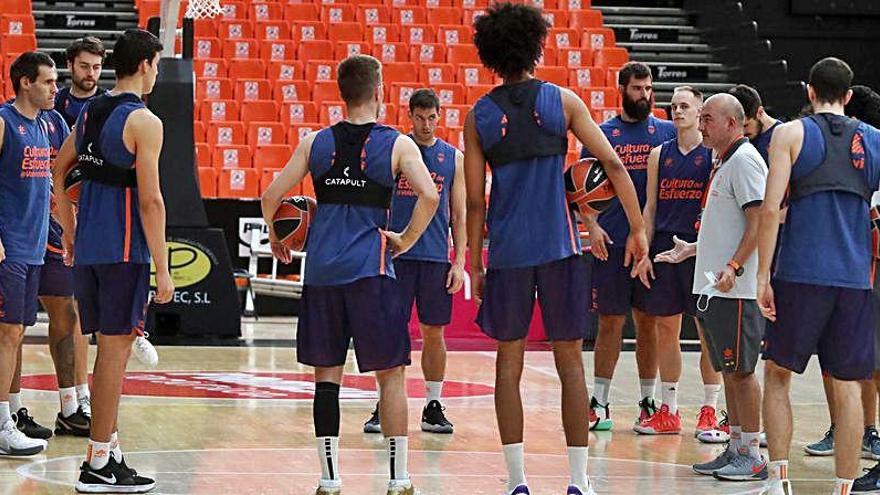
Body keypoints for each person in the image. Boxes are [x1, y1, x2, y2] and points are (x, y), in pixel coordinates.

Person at [464, 4, 647, 494]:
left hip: (506, 254)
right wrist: (637, 228)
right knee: (569, 362)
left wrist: (471, 262)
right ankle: (578, 482)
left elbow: (475, 203)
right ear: (536, 46)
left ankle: (517, 483)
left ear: (491, 55)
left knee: (510, 361)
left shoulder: (479, 114)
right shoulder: (561, 101)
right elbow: (611, 162)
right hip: (561, 249)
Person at [261, 54, 439, 495]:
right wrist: (406, 238)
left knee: (327, 379)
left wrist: (277, 236)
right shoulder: (397, 144)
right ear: (379, 91)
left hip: (322, 274)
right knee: (391, 375)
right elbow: (430, 196)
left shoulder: (315, 143)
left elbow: (271, 196)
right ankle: (398, 480)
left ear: (342, 93)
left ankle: (329, 478)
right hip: (372, 272)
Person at [53, 28, 173, 493]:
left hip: (89, 253)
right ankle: (98, 462)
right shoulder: (144, 121)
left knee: (108, 353)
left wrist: (68, 231)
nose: (158, 74)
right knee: (113, 358)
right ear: (144, 65)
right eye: (158, 66)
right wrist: (163, 266)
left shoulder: (87, 113)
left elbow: (59, 172)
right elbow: (151, 203)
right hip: (124, 253)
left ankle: (111, 450)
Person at [758, 57, 880, 495]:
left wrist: (761, 276)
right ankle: (843, 488)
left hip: (800, 273)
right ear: (849, 96)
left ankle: (778, 482)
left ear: (809, 91)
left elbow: (770, 210)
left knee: (777, 374)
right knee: (848, 385)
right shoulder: (876, 140)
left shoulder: (790, 133)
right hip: (853, 279)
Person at [655, 94, 768, 481]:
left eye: (707, 118)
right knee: (729, 370)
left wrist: (735, 266)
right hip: (717, 288)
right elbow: (729, 227)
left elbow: (760, 224)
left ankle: (751, 454)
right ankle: (735, 447)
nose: (700, 125)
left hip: (737, 290)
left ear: (732, 124)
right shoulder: (725, 162)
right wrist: (693, 250)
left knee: (742, 371)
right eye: (700, 119)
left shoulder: (746, 162)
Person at [363, 88, 464, 435]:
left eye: (431, 117)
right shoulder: (396, 152)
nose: (425, 124)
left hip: (436, 257)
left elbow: (460, 214)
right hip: (397, 256)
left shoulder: (453, 158)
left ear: (440, 116)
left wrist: (460, 260)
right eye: (419, 118)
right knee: (390, 330)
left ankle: (433, 404)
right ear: (410, 117)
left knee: (434, 332)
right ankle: (384, 402)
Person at [581, 61, 676, 431]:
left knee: (648, 323)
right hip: (613, 240)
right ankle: (600, 402)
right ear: (621, 88)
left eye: (649, 88)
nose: (645, 95)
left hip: (650, 245)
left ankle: (649, 401)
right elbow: (580, 187)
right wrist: (591, 226)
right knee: (609, 323)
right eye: (637, 88)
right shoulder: (603, 133)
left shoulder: (666, 132)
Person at [804, 84, 880, 462]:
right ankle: (848, 429)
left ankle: (868, 430)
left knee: (866, 363)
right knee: (838, 358)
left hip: (865, 274)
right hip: (847, 271)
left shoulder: (870, 159)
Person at [634, 86, 713, 436]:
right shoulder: (658, 154)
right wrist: (645, 251)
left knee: (707, 331)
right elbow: (650, 207)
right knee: (667, 328)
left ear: (699, 111)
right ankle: (670, 408)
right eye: (673, 106)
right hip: (665, 247)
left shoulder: (713, 155)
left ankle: (710, 408)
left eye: (685, 106)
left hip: (702, 248)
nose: (677, 111)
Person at [0, 51, 56, 456]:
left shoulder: (47, 126)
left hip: (34, 245)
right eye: (48, 81)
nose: (56, 88)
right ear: (25, 83)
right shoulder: (4, 123)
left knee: (15, 336)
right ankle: (1, 425)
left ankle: (10, 415)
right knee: (6, 335)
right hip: (9, 246)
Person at [54, 36, 109, 128]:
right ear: (70, 65)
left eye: (96, 67)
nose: (91, 73)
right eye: (84, 66)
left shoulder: (110, 103)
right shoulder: (54, 101)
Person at [728, 84, 781, 163]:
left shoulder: (781, 136)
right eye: (738, 126)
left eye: (746, 125)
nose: (742, 132)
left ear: (760, 113)